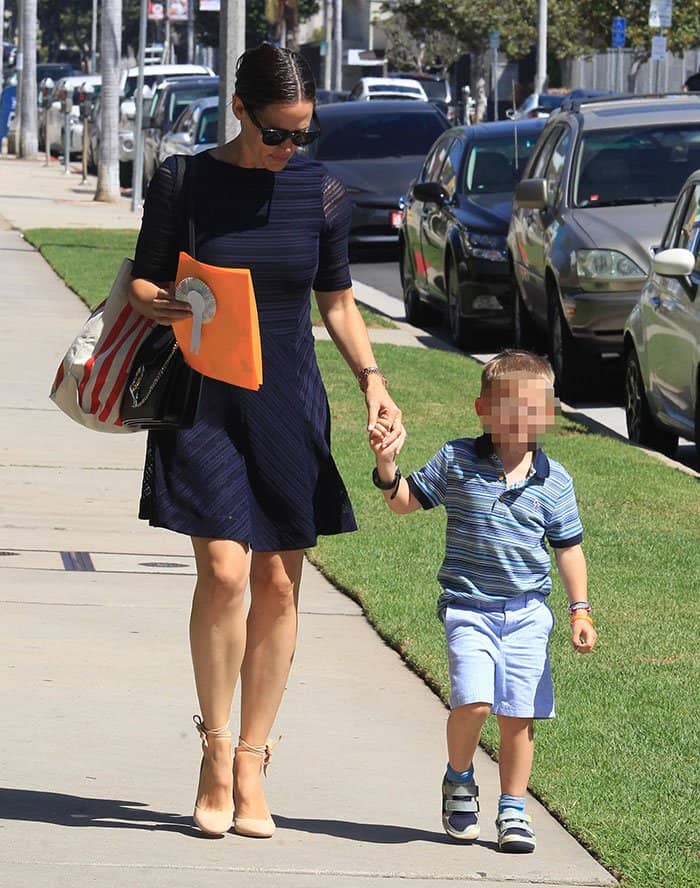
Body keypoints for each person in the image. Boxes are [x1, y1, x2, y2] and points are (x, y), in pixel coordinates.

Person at [127, 43, 402, 838]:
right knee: (223, 573)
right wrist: (166, 306)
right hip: (204, 397)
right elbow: (144, 277)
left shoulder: (321, 193)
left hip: (287, 400)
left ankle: (254, 761)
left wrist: (373, 382)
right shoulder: (185, 179)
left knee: (280, 585)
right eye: (278, 134)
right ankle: (214, 754)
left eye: (303, 134)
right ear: (240, 111)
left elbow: (340, 303)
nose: (290, 149)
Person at [369, 350, 596, 853]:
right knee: (473, 702)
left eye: (538, 408)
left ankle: (513, 808)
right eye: (515, 408)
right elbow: (405, 501)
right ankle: (459, 778)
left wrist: (580, 610)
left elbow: (569, 549)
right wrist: (387, 466)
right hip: (469, 607)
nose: (527, 419)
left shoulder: (555, 482)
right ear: (484, 410)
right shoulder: (458, 460)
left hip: (528, 614)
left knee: (518, 715)